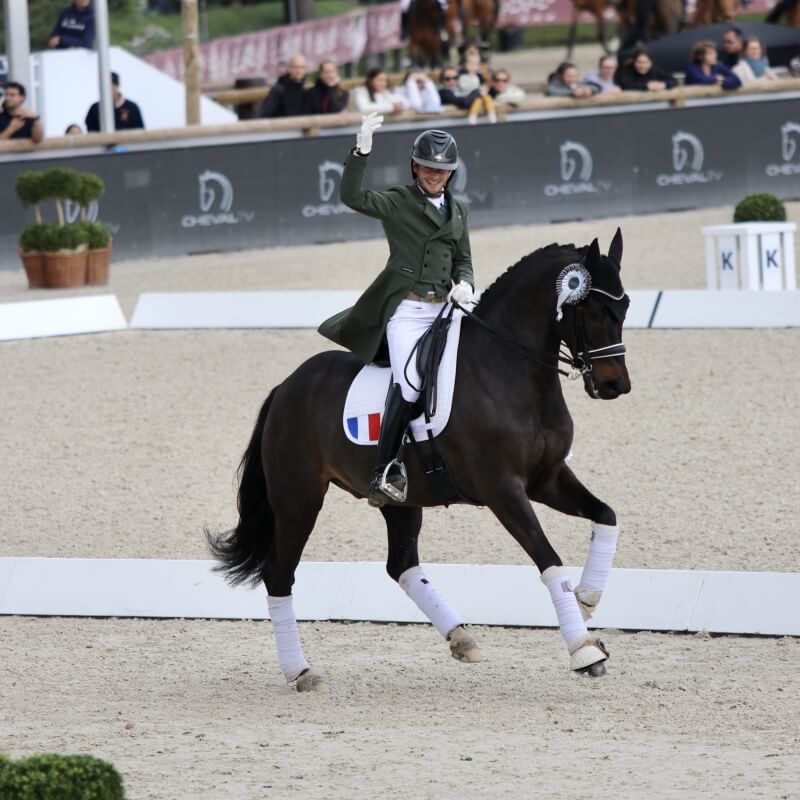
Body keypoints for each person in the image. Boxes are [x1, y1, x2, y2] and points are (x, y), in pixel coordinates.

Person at [318, 117, 475, 507]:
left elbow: (464, 259)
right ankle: (384, 470)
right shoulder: (399, 201)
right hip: (407, 310)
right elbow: (352, 198)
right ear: (415, 168)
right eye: (428, 168)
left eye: (442, 170)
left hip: (446, 309)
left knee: (481, 364)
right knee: (408, 383)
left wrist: (466, 282)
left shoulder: (460, 211)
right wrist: (361, 152)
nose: (435, 175)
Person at [457, 46, 496, 124]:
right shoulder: (462, 76)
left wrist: (485, 87)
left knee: (487, 98)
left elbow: (485, 85)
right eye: (470, 64)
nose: (473, 67)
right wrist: (479, 91)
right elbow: (464, 87)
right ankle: (472, 116)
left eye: (476, 64)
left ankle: (491, 114)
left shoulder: (479, 76)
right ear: (465, 65)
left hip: (480, 96)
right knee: (477, 100)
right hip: (467, 96)